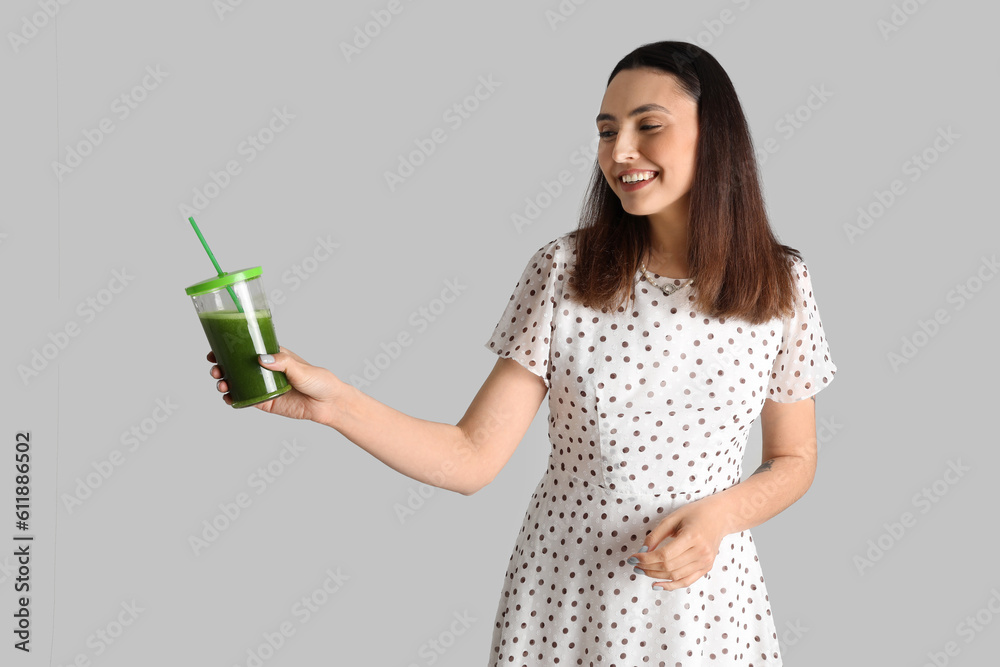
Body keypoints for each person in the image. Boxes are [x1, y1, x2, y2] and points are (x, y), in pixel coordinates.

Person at [206, 40, 837, 666]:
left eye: (649, 126)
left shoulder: (782, 283)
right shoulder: (565, 270)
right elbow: (471, 459)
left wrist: (720, 516)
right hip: (565, 598)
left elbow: (794, 458)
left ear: (716, 137)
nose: (619, 152)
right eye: (606, 130)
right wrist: (332, 405)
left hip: (705, 604)